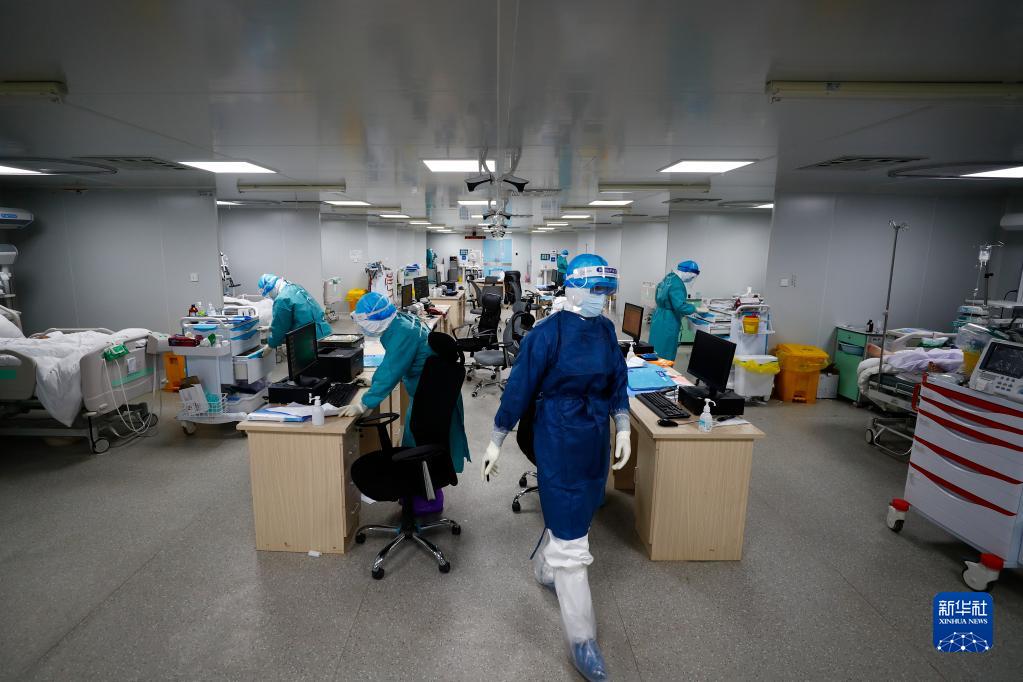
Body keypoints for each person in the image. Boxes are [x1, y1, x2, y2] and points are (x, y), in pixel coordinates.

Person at [481, 253, 630, 682]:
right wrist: (496, 439)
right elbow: (519, 389)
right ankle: (582, 641)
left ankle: (547, 568)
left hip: (594, 436)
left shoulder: (605, 330)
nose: (601, 298)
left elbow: (617, 380)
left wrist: (622, 426)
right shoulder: (545, 335)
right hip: (558, 434)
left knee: (582, 511)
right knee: (571, 537)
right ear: (574, 288)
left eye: (607, 291)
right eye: (595, 290)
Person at [339, 292, 470, 476]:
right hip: (432, 386)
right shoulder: (399, 321)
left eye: (364, 322)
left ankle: (427, 482)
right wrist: (373, 381)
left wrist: (363, 404)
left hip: (433, 393)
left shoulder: (401, 332)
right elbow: (397, 362)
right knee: (419, 438)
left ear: (376, 319)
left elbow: (391, 370)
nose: (362, 327)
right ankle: (425, 479)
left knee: (421, 441)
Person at [257, 273, 332, 348]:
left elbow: (280, 329)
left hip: (310, 340)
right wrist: (271, 328)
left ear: (270, 288)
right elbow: (301, 316)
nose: (270, 296)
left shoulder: (282, 299)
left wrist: (270, 345)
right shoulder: (296, 287)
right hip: (325, 332)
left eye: (268, 294)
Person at [648, 260, 700, 361]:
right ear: (687, 272)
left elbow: (662, 298)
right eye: (692, 277)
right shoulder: (677, 284)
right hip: (669, 320)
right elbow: (680, 306)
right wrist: (695, 309)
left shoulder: (668, 277)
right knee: (666, 350)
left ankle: (654, 368)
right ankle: (665, 370)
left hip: (658, 316)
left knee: (656, 348)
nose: (691, 279)